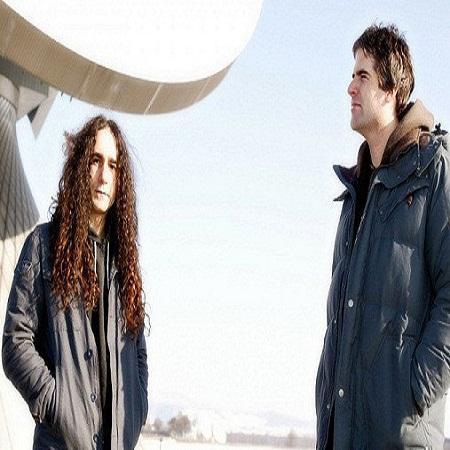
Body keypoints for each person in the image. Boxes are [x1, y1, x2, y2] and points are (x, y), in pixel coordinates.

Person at [315, 24, 449, 449]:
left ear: (390, 90)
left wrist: (413, 391)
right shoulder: (355, 191)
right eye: (351, 76)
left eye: (363, 76)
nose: (350, 87)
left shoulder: (433, 171)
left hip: (400, 433)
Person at [2, 115, 148, 449]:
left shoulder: (125, 263)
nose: (104, 175)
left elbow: (138, 350)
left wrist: (137, 408)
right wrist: (56, 405)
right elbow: (15, 341)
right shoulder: (43, 246)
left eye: (113, 165)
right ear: (80, 167)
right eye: (95, 161)